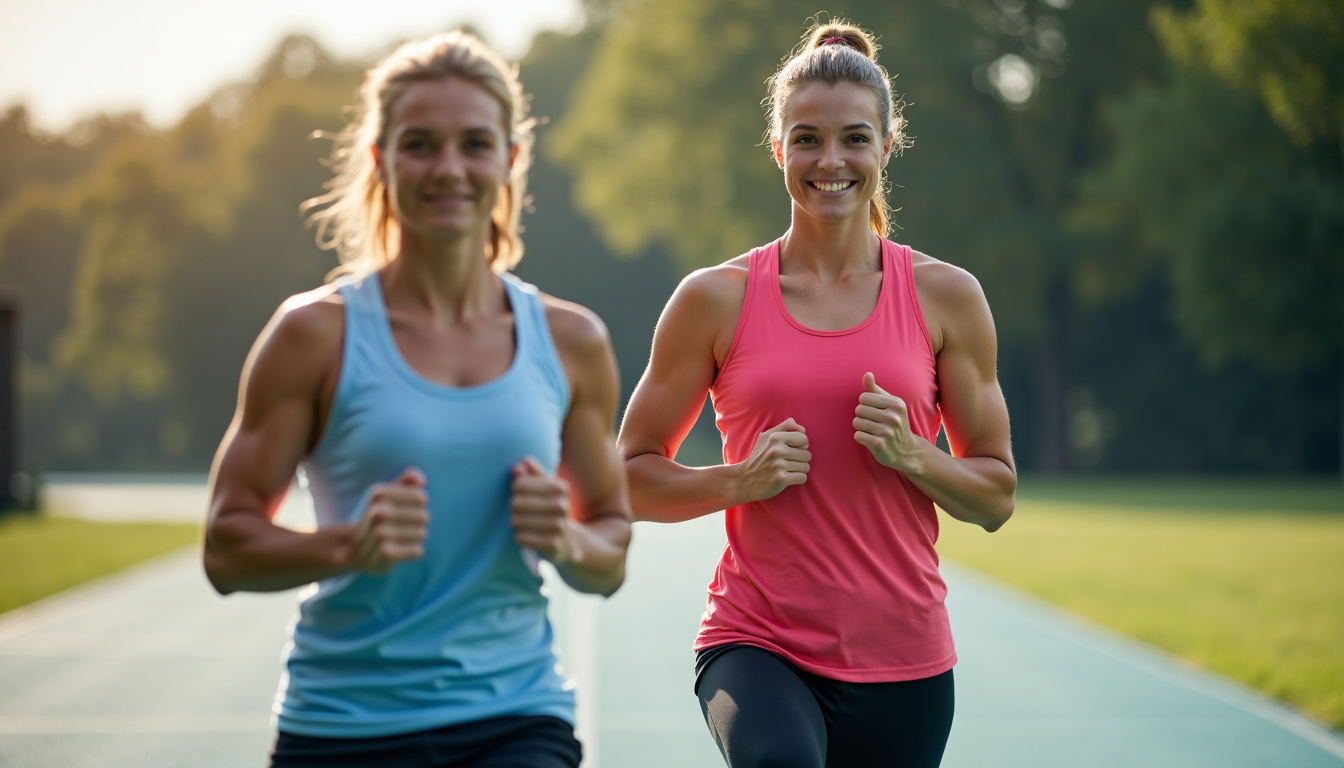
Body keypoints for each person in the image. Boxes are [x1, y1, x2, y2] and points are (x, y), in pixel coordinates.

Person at [203, 30, 632, 768]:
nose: (449, 169)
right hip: (342, 723)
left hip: (516, 715)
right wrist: (347, 545)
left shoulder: (572, 341)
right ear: (380, 159)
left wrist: (566, 539)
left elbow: (612, 550)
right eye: (421, 144)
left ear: (509, 159)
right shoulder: (313, 335)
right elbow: (226, 546)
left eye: (474, 144)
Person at [616, 18, 1017, 768]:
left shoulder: (947, 297)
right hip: (757, 644)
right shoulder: (714, 299)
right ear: (777, 150)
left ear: (886, 149)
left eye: (854, 139)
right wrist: (738, 480)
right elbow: (629, 477)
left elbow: (995, 497)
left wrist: (913, 456)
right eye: (806, 139)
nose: (830, 160)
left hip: (907, 660)